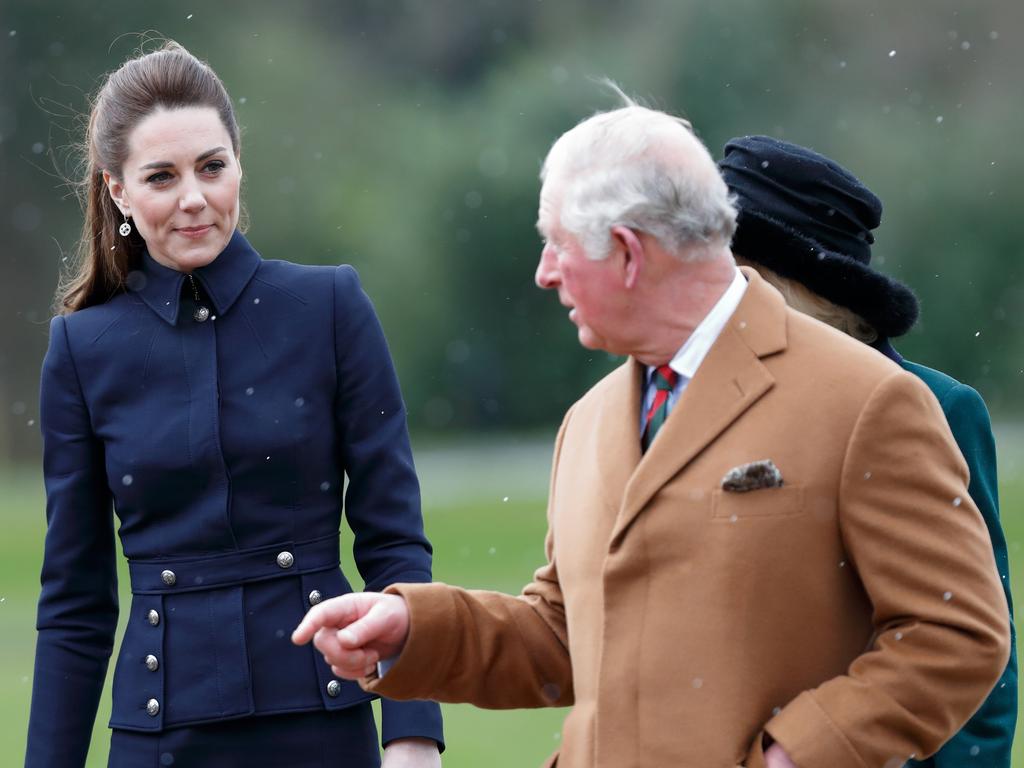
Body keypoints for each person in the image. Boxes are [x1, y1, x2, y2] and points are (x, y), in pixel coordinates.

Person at [293, 95, 1010, 768]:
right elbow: (564, 634)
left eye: (558, 243)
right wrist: (415, 629)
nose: (544, 272)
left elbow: (958, 633)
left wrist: (797, 754)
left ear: (630, 254)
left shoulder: (870, 399)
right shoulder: (588, 421)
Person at [26, 41, 442, 768]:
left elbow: (394, 540)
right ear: (118, 191)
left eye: (211, 167)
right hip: (160, 739)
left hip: (322, 722)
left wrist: (412, 734)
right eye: (162, 177)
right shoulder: (81, 352)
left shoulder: (329, 308)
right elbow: (75, 604)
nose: (194, 198)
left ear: (238, 165)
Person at [718, 134, 1017, 768]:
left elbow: (978, 640)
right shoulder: (699, 401)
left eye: (728, 269)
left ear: (787, 287)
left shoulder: (935, 404)